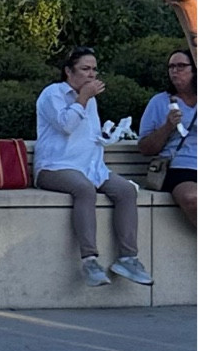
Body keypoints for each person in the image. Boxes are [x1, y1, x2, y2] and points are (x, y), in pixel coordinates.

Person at [34, 50, 152, 287]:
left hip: (90, 166)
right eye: (85, 69)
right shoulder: (53, 94)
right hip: (54, 167)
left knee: (127, 191)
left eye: (94, 69)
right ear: (69, 71)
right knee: (84, 189)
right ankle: (89, 260)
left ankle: (128, 258)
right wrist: (82, 99)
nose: (92, 74)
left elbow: (88, 137)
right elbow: (66, 125)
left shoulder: (91, 101)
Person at [138, 48, 197, 228]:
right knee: (192, 198)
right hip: (179, 167)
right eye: (171, 67)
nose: (174, 71)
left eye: (181, 66)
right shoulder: (160, 102)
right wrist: (168, 127)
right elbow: (145, 148)